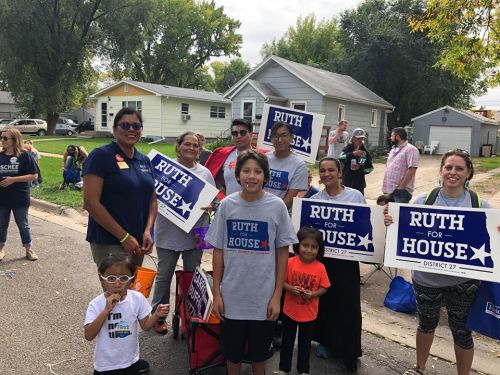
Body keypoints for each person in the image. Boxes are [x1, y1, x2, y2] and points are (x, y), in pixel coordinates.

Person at [384, 149, 499, 375]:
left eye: (459, 168)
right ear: (441, 170)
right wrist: (392, 221)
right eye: (448, 167)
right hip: (427, 279)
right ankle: (419, 368)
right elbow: (403, 230)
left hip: (464, 282)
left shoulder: (480, 205)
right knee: (426, 324)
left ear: (468, 173)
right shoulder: (424, 200)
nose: (453, 172)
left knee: (462, 331)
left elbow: (494, 243)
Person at [206, 149, 298, 375]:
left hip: (263, 300)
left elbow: (282, 253)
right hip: (231, 298)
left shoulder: (277, 207)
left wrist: (277, 295)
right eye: (246, 170)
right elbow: (218, 251)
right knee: (233, 356)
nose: (251, 176)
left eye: (257, 171)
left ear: (266, 177)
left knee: (259, 356)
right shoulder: (227, 205)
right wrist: (217, 293)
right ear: (237, 176)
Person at [83, 107, 157, 374]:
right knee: (114, 297)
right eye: (125, 125)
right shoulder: (100, 157)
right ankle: (112, 363)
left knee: (131, 299)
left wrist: (148, 230)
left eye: (136, 126)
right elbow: (90, 202)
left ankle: (129, 357)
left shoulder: (144, 160)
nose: (131, 130)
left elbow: (152, 199)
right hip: (110, 241)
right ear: (115, 129)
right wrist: (123, 236)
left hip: (137, 243)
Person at [151, 131, 216, 334]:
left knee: (192, 278)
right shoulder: (163, 168)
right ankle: (158, 317)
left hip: (194, 236)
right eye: (186, 144)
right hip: (166, 232)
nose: (191, 148)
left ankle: (190, 318)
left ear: (200, 149)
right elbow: (151, 198)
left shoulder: (205, 173)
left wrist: (208, 214)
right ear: (178, 146)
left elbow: (211, 204)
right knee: (164, 276)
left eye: (195, 145)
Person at [310, 157, 365, 372]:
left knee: (349, 304)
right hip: (323, 260)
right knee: (326, 302)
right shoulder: (315, 198)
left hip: (347, 261)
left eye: (330, 170)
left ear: (339, 172)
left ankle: (349, 350)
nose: (326, 174)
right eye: (322, 171)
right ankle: (326, 343)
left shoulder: (355, 196)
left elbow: (365, 224)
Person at [84, 254, 170, 375]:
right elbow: (88, 335)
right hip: (105, 365)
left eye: (124, 278)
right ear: (101, 279)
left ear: (133, 280)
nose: (117, 284)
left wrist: (156, 315)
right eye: (111, 278)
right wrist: (105, 311)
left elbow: (145, 326)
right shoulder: (96, 304)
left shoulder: (137, 299)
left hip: (130, 362)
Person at [277, 226, 330, 375]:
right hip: (290, 311)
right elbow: (280, 281)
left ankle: (303, 370)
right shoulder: (289, 262)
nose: (309, 250)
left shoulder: (320, 267)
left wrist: (313, 294)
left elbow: (325, 287)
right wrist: (290, 289)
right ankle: (283, 368)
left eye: (314, 247)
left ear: (319, 249)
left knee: (304, 344)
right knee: (287, 342)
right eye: (305, 245)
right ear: (298, 245)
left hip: (309, 313)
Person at [0, 127, 39, 261]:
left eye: (5, 138)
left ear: (14, 139)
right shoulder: (0, 155)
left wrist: (13, 179)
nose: (2, 140)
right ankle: (0, 250)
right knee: (1, 224)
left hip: (20, 197)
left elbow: (34, 175)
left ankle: (29, 249)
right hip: (2, 198)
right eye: (1, 137)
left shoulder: (24, 155)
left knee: (23, 224)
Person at [205, 118, 264, 196]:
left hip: (256, 205)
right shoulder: (222, 155)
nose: (239, 136)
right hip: (231, 205)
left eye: (243, 132)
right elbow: (210, 176)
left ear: (251, 134)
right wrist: (221, 189)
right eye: (235, 133)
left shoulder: (263, 157)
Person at [264, 121, 308, 211]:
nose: (280, 140)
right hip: (259, 209)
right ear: (271, 139)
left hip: (281, 214)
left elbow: (288, 202)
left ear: (291, 138)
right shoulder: (263, 159)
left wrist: (267, 213)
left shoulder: (299, 164)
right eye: (275, 136)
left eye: (284, 135)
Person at [382, 127, 419, 203]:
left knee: (397, 214)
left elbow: (412, 169)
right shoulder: (394, 149)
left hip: (400, 192)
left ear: (398, 137)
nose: (390, 138)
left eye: (392, 136)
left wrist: (400, 188)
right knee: (387, 214)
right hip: (388, 191)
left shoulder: (411, 149)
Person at [338, 128, 373, 195]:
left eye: (362, 138)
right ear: (353, 138)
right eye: (358, 138)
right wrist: (352, 154)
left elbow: (370, 168)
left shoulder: (365, 152)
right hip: (346, 182)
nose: (360, 140)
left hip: (359, 185)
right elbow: (340, 158)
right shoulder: (347, 148)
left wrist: (360, 168)